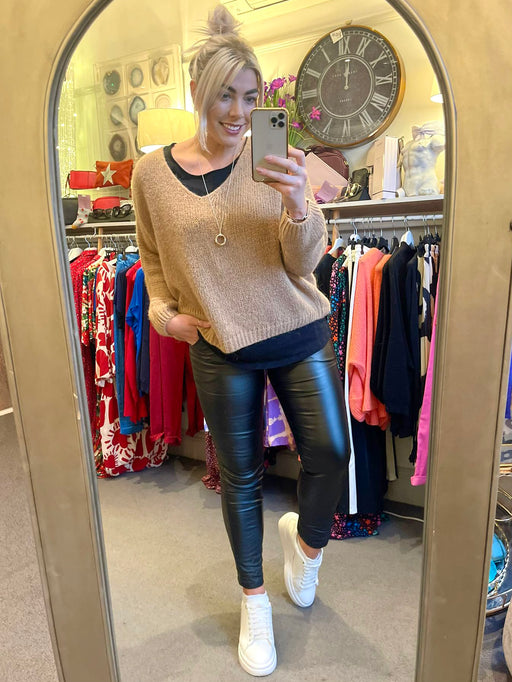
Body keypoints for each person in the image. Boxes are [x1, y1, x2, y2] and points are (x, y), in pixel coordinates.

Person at [132, 5, 349, 677]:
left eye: (251, 97)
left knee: (331, 452)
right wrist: (164, 314)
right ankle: (255, 600)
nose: (238, 111)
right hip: (218, 343)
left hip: (297, 328)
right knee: (241, 476)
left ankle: (305, 546)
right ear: (199, 91)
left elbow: (302, 263)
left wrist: (300, 204)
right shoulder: (151, 175)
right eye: (226, 94)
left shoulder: (275, 157)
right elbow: (152, 259)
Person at [400, 121, 445, 196]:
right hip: (407, 188)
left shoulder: (432, 141)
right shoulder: (407, 145)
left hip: (426, 185)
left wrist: (436, 130)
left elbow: (442, 143)